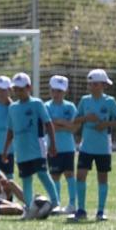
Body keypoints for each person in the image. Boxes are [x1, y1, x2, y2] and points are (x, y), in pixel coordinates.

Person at [1, 72, 58, 218]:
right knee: (26, 179)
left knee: (42, 174)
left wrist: (52, 144)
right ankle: (29, 208)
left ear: (29, 87)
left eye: (21, 89)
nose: (19, 92)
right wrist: (5, 150)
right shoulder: (13, 108)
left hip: (37, 148)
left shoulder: (37, 104)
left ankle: (55, 203)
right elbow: (10, 130)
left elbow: (48, 124)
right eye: (16, 89)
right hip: (21, 150)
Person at [72, 68, 116, 222]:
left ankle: (100, 211)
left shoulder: (110, 101)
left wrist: (105, 124)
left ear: (102, 85)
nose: (93, 86)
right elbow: (75, 120)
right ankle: (81, 209)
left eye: (96, 84)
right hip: (86, 146)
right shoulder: (84, 100)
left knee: (102, 178)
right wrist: (86, 118)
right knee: (80, 176)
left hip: (103, 148)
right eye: (91, 84)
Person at [46, 75, 80, 214]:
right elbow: (48, 125)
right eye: (54, 90)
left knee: (70, 174)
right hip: (53, 146)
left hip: (68, 147)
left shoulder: (70, 106)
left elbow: (75, 126)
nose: (56, 94)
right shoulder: (46, 106)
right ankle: (56, 203)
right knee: (55, 175)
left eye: (59, 91)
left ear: (65, 92)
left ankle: (72, 204)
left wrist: (59, 122)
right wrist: (65, 124)